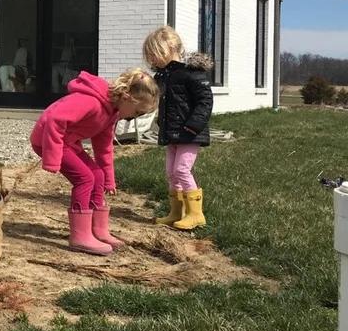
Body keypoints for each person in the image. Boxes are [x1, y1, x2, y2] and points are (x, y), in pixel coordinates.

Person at [31, 69, 159, 256]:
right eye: (137, 113)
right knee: (85, 178)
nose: (134, 119)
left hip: (68, 142)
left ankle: (97, 229)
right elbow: (55, 119)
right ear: (126, 97)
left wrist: (109, 180)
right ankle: (80, 236)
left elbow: (104, 147)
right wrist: (52, 158)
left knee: (97, 175)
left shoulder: (111, 113)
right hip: (47, 140)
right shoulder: (90, 101)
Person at [142, 25, 214, 230]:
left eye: (155, 54)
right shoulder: (161, 77)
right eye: (150, 56)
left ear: (171, 47)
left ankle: (196, 214)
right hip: (172, 132)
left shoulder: (191, 74)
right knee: (171, 172)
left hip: (190, 133)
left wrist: (193, 126)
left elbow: (205, 101)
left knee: (182, 169)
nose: (152, 60)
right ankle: (176, 212)